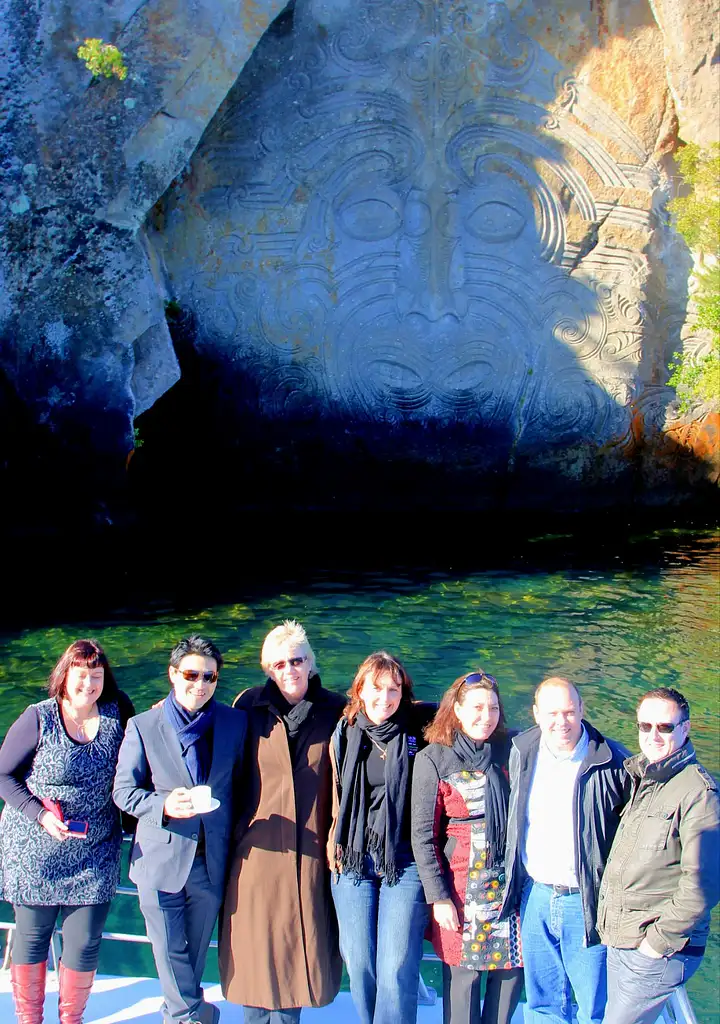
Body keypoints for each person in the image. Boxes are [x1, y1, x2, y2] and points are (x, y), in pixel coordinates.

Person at [113, 635, 247, 1024]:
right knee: (168, 952)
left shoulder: (235, 722)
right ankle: (187, 1017)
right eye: (191, 674)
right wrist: (162, 806)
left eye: (210, 677)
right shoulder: (143, 725)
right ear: (173, 674)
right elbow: (123, 791)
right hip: (159, 860)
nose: (200, 684)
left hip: (211, 860)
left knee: (194, 952)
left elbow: (242, 782)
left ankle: (189, 1009)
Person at [0, 638, 134, 1024]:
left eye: (97, 675)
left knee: (85, 942)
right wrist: (39, 813)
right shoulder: (38, 717)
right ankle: (29, 1019)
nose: (89, 684)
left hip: (95, 850)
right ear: (65, 675)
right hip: (35, 848)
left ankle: (71, 1019)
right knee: (32, 938)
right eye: (81, 675)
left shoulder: (118, 710)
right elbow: (4, 776)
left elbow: (138, 755)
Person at [219, 620, 345, 1023]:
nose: (290, 669)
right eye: (279, 663)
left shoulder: (337, 710)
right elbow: (214, 747)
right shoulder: (247, 706)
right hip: (257, 853)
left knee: (295, 959)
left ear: (311, 662)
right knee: (256, 960)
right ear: (267, 668)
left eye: (297, 660)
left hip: (311, 854)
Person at [499, 676, 629, 1024]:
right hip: (536, 896)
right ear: (537, 714)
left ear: (582, 710)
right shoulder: (522, 750)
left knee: (593, 1005)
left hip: (586, 902)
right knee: (542, 1002)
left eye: (570, 712)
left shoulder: (613, 761)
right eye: (553, 713)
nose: (562, 722)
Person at [597, 687, 720, 1024]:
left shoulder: (698, 792)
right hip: (622, 938)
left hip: (655, 949)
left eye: (664, 727)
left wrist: (656, 943)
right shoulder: (642, 778)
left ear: (685, 729)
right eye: (645, 726)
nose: (653, 735)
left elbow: (703, 884)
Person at [328, 651, 433, 1024]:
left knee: (395, 966)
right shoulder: (345, 729)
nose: (384, 698)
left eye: (394, 689)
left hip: (403, 860)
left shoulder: (421, 727)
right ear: (360, 689)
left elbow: (468, 715)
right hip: (353, 856)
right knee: (358, 961)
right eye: (376, 688)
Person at [412, 670, 523, 1024]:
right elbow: (423, 837)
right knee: (463, 982)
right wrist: (438, 897)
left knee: (509, 977)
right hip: (460, 893)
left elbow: (565, 731)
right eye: (476, 707)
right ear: (457, 709)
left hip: (511, 892)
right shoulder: (433, 759)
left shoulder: (515, 749)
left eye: (492, 708)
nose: (485, 717)